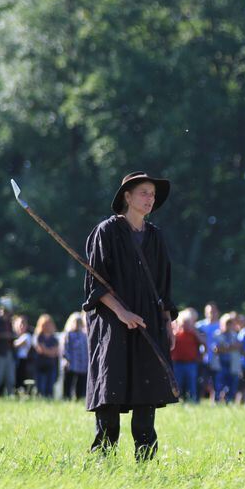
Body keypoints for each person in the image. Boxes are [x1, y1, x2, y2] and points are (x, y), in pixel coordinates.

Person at [83, 171, 178, 460]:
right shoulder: (106, 232)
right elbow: (95, 284)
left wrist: (167, 323)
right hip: (112, 324)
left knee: (146, 397)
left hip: (149, 321)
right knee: (110, 394)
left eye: (153, 194)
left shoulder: (156, 236)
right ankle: (103, 462)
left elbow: (163, 284)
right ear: (127, 196)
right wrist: (122, 312)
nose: (150, 199)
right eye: (144, 193)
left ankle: (145, 464)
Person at [171, 309, 201, 402]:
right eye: (184, 323)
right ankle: (177, 399)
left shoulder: (193, 335)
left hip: (191, 363)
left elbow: (203, 342)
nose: (186, 325)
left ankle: (192, 399)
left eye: (188, 323)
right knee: (178, 383)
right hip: (178, 363)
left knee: (191, 383)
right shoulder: (176, 335)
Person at [213, 313, 242, 402]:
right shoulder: (216, 334)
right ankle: (217, 402)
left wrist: (225, 347)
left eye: (230, 323)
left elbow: (239, 346)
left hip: (232, 364)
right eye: (227, 323)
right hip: (220, 364)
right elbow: (216, 349)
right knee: (219, 386)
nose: (229, 325)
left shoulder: (235, 335)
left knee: (232, 386)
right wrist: (231, 347)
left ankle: (229, 402)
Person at [195, 303, 220, 401]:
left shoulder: (220, 325)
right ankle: (198, 400)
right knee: (201, 380)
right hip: (202, 358)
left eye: (213, 312)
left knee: (216, 381)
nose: (212, 314)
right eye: (209, 312)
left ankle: (215, 401)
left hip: (216, 358)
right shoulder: (199, 326)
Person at [61, 312, 89, 401]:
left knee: (80, 382)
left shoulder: (84, 335)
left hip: (82, 364)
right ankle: (67, 398)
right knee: (69, 382)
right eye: (76, 322)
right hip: (71, 363)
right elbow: (65, 348)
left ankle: (79, 397)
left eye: (79, 322)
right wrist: (67, 359)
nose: (78, 325)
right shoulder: (68, 334)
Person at [33, 314, 60, 399]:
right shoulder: (38, 337)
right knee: (40, 387)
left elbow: (55, 352)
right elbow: (40, 350)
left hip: (51, 366)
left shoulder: (54, 338)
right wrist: (49, 351)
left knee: (50, 387)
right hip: (40, 366)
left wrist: (46, 350)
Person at [12, 316, 34, 393]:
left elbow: (15, 344)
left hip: (22, 361)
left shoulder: (27, 336)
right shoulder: (18, 336)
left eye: (23, 324)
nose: (21, 327)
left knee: (20, 378)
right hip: (16, 360)